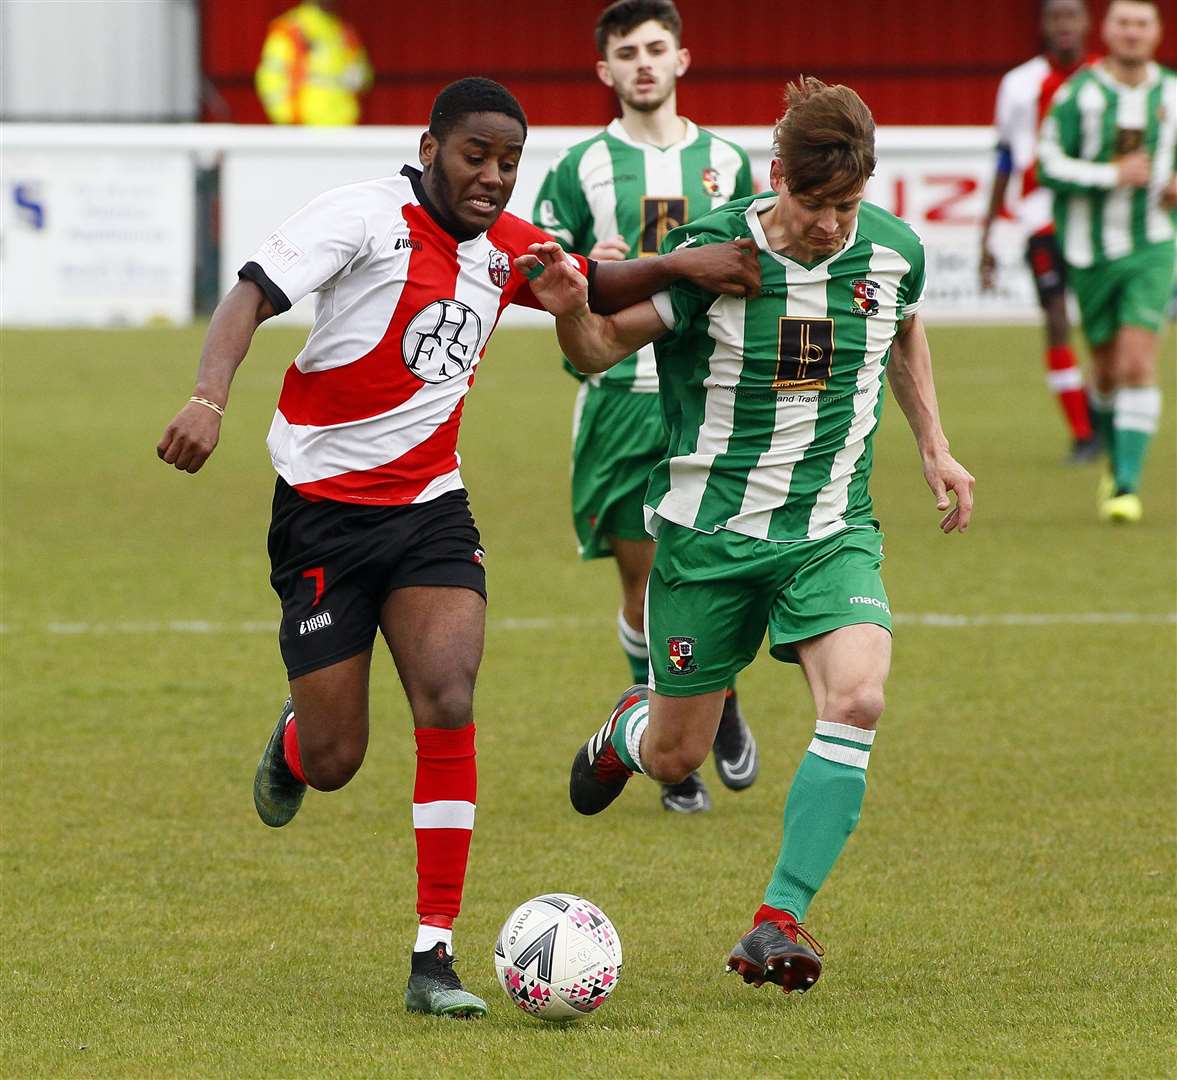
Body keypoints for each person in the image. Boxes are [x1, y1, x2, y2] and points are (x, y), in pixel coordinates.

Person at [156, 77, 760, 1020]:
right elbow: (251, 296)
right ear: (430, 144)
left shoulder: (509, 248)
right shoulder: (361, 216)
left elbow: (591, 290)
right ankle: (293, 745)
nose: (492, 177)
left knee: (448, 696)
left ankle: (432, 955)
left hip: (432, 513)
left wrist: (684, 269)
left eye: (509, 162)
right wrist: (206, 397)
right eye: (476, 155)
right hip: (320, 516)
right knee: (338, 754)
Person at [519, 77, 975, 993]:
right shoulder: (708, 255)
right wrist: (570, 303)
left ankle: (779, 917)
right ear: (776, 178)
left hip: (829, 531)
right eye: (814, 207)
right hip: (707, 538)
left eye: (846, 206)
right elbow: (600, 349)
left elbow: (903, 333)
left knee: (857, 700)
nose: (831, 227)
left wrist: (935, 446)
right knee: (675, 756)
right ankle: (626, 730)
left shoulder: (891, 253)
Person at [533, 0, 758, 814]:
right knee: (645, 584)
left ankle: (715, 704)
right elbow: (542, 265)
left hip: (708, 398)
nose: (642, 63)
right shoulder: (579, 165)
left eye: (655, 48)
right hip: (619, 399)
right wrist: (588, 264)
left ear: (681, 60)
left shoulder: (729, 164)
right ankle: (673, 737)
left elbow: (754, 262)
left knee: (707, 570)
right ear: (605, 70)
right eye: (626, 52)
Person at [1037, 0, 1175, 524]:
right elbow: (1047, 164)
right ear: (1108, 30)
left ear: (1158, 32)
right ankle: (1115, 454)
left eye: (1143, 23)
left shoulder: (1173, 93)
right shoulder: (1081, 94)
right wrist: (1109, 175)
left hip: (1154, 244)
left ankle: (1125, 485)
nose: (1133, 33)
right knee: (1108, 370)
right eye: (1124, 23)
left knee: (1140, 362)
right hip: (1089, 251)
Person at [979, 0, 1099, 463]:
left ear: (1087, 23)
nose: (1064, 24)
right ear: (1045, 24)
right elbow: (1005, 161)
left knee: (1103, 327)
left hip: (1097, 218)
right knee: (1056, 318)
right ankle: (1084, 433)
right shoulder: (1018, 84)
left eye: (1072, 15)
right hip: (1041, 218)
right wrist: (986, 237)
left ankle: (1102, 410)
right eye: (1056, 16)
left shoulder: (1104, 81)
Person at [255, 0, 372, 126]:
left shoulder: (344, 31)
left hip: (343, 124)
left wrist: (361, 76)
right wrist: (287, 117)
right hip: (304, 126)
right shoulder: (292, 28)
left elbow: (365, 75)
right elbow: (270, 76)